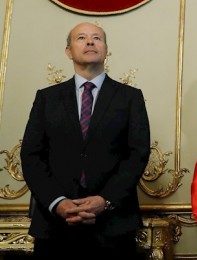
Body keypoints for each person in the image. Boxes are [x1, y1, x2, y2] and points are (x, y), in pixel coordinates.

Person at [20, 22, 151, 259]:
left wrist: (106, 200)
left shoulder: (130, 97)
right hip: (54, 227)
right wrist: (58, 202)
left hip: (114, 227)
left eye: (97, 38)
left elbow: (137, 154)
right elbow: (31, 155)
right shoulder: (47, 98)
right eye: (81, 37)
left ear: (106, 50)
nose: (90, 41)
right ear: (68, 51)